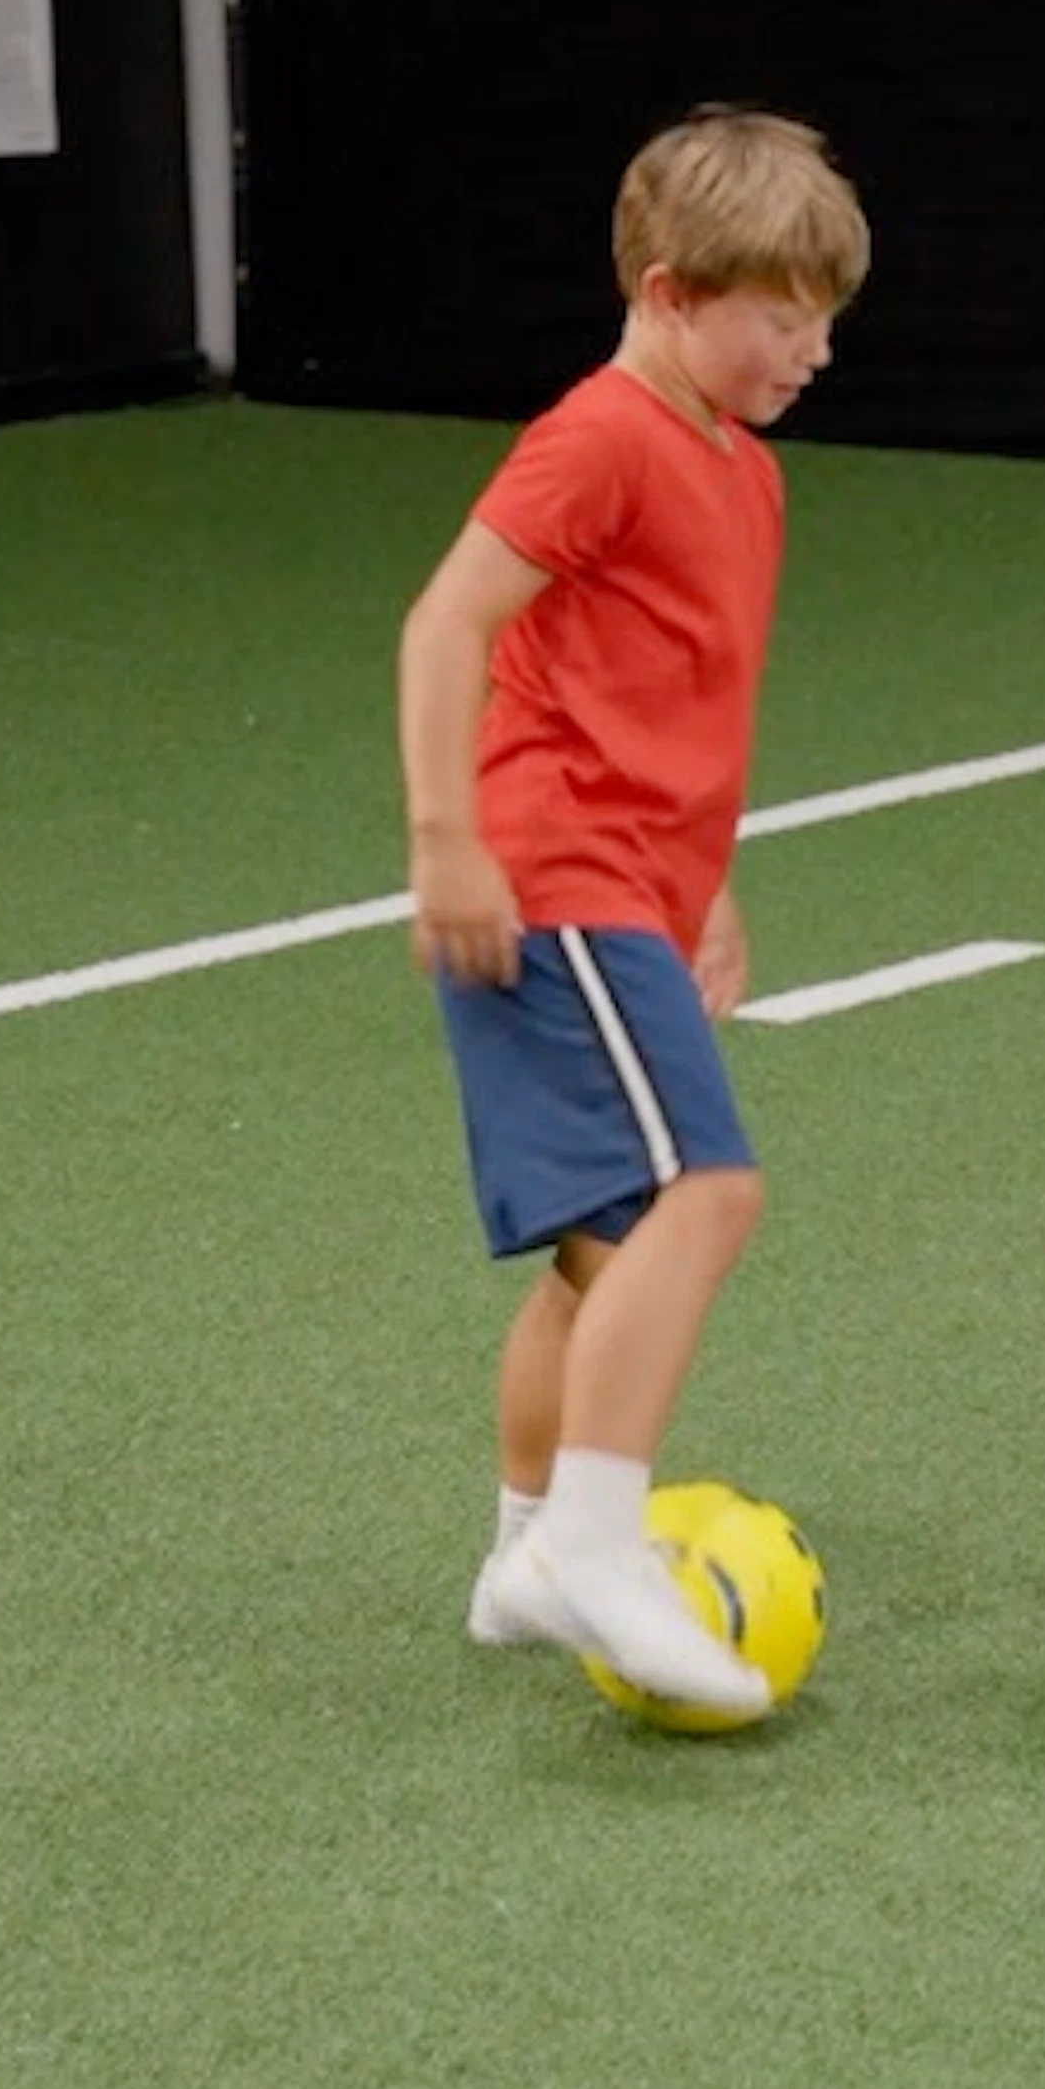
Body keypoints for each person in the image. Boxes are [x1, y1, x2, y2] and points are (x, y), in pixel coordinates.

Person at [397, 105, 870, 1715]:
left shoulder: (744, 472)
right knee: (708, 1194)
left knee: (605, 1248)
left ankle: (524, 1550)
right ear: (668, 294)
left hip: (630, 888)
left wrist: (710, 879)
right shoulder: (602, 434)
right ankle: (602, 1543)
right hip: (550, 873)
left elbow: (676, 690)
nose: (810, 348)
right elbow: (448, 621)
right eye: (777, 314)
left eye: (826, 317)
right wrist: (447, 837)